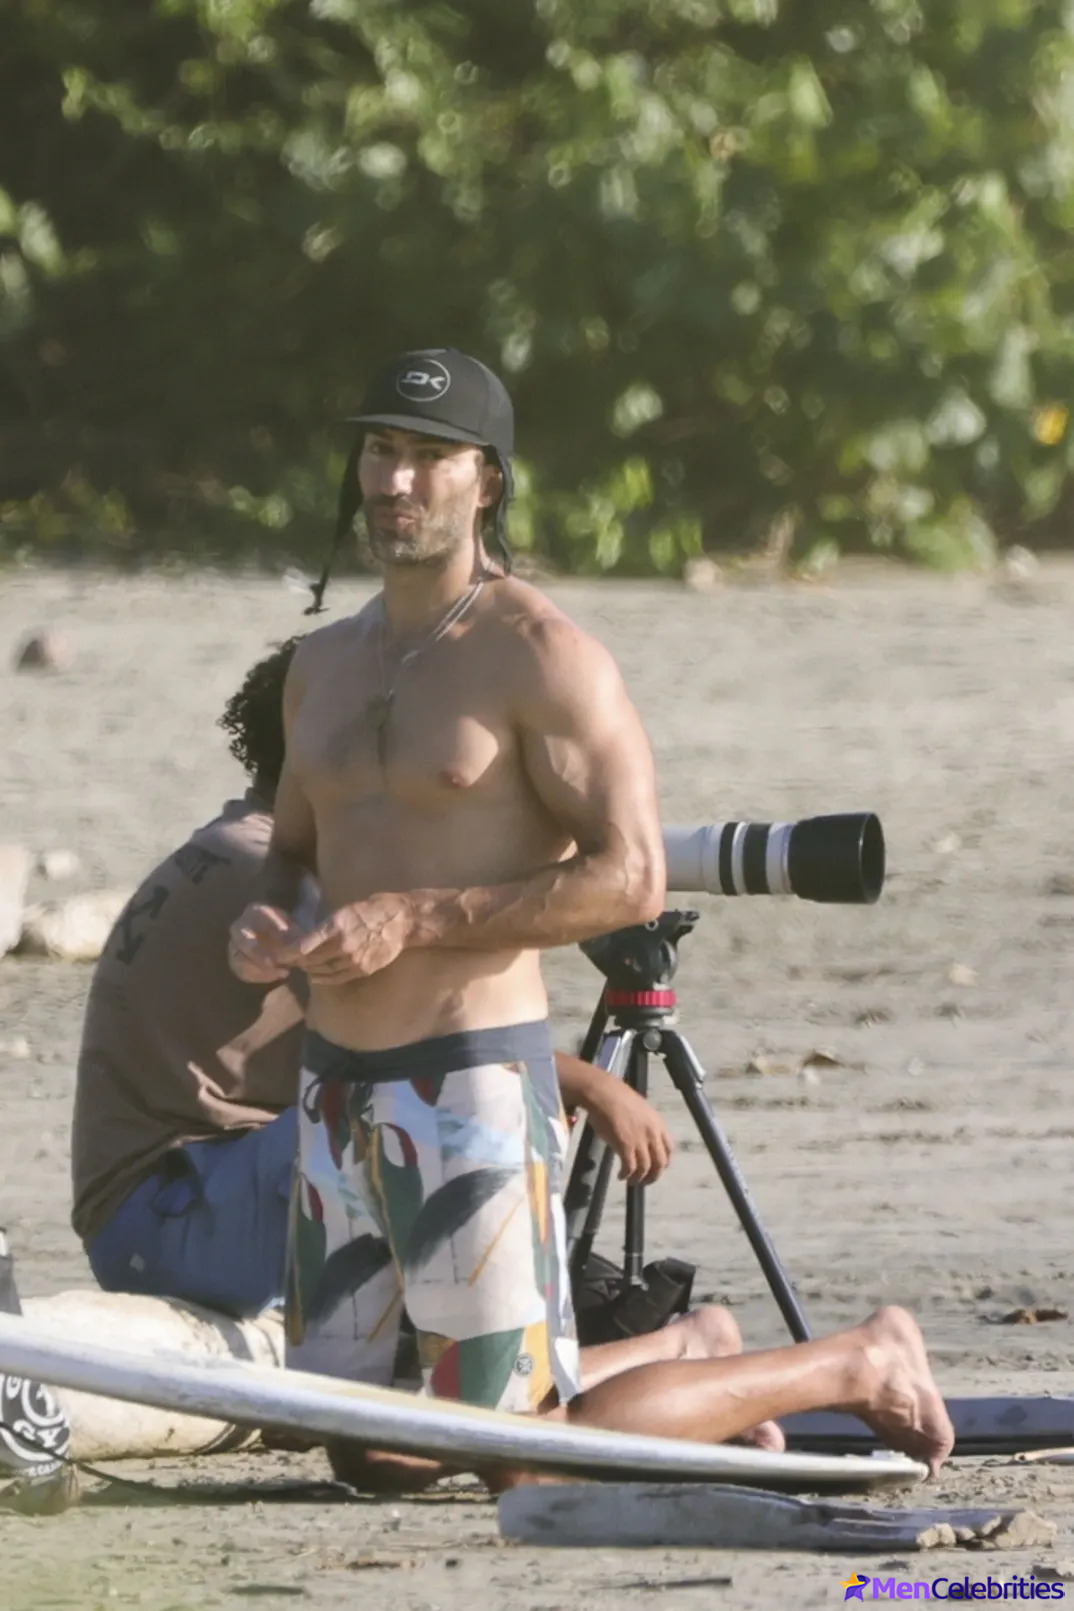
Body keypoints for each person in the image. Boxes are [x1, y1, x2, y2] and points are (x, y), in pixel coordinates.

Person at [229, 348, 954, 1483]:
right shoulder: (318, 665)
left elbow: (630, 880)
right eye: (382, 452)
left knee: (518, 1456)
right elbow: (291, 853)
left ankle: (852, 1363)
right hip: (336, 1090)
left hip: (469, 1080)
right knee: (368, 1456)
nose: (397, 483)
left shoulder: (540, 656)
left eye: (429, 459)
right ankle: (695, 1365)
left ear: (487, 483)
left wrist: (422, 917)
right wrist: (267, 925)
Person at [70, 638, 675, 1320]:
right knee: (464, 1106)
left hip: (176, 1202)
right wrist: (592, 1085)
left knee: (449, 1104)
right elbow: (432, 1034)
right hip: (171, 1215)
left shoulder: (235, 843)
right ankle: (544, 1344)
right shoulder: (273, 881)